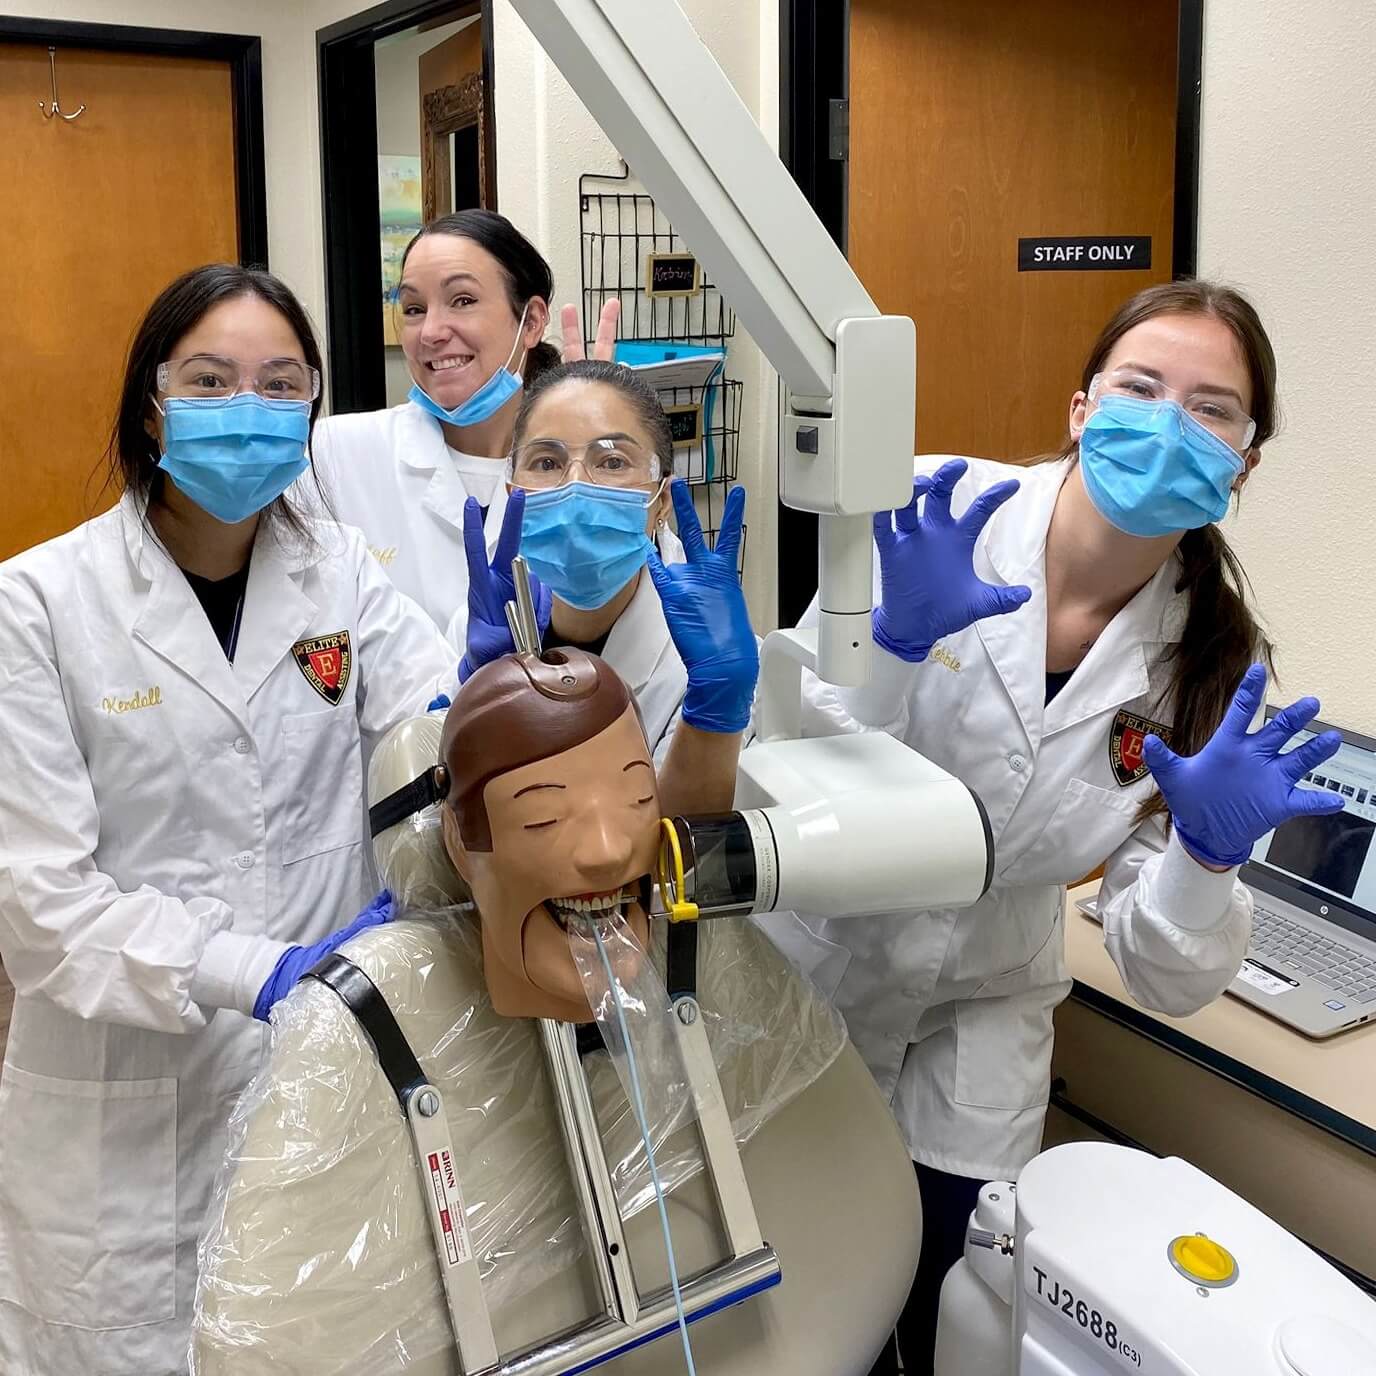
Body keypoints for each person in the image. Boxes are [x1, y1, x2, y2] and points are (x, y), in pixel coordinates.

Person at [796, 280, 1345, 1376]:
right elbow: (795, 769)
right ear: (1081, 407)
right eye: (1139, 388)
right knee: (804, 1292)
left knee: (950, 1302)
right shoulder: (935, 514)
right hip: (822, 967)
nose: (1168, 424)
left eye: (1211, 409)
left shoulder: (1212, 661)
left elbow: (1163, 973)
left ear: (1243, 462)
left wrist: (1204, 857)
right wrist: (890, 652)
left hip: (984, 1010)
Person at [0, 264, 463, 1375]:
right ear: (151, 406)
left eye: (280, 384)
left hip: (319, 1071)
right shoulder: (38, 604)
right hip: (125, 1104)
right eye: (210, 381)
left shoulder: (342, 577)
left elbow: (434, 740)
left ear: (310, 411)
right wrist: (259, 970)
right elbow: (42, 906)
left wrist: (507, 682)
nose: (246, 409)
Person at [459, 358, 758, 815]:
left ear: (660, 499)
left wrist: (715, 710)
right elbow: (450, 817)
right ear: (512, 491)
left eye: (613, 462)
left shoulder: (706, 661)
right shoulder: (486, 627)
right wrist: (479, 692)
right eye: (547, 462)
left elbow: (684, 847)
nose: (576, 488)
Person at [308, 208, 618, 642]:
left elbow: (644, 629)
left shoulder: (592, 466)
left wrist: (597, 437)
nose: (431, 332)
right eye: (414, 309)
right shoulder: (334, 454)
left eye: (463, 301)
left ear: (530, 322)